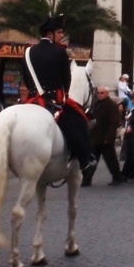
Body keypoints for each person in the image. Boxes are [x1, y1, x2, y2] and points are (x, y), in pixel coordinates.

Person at [21, 14, 96, 174]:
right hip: (53, 102)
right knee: (77, 122)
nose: (62, 36)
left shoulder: (27, 52)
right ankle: (85, 161)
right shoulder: (59, 52)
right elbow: (66, 81)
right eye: (60, 32)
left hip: (31, 101)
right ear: (50, 34)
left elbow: (26, 79)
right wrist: (64, 93)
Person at [82, 86, 123, 187]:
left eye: (102, 93)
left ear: (107, 93)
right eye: (98, 93)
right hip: (95, 137)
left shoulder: (111, 105)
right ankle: (87, 179)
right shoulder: (96, 104)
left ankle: (117, 177)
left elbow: (114, 123)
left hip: (105, 138)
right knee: (92, 160)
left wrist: (108, 138)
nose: (99, 94)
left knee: (111, 160)